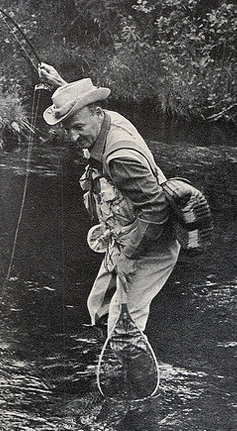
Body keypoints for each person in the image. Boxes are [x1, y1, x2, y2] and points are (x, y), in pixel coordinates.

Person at [38, 63, 180, 338]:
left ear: (97, 114)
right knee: (100, 305)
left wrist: (129, 258)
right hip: (125, 235)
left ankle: (127, 372)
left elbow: (156, 208)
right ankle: (108, 354)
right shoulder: (105, 118)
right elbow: (82, 108)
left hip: (152, 244)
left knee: (124, 322)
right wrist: (60, 84)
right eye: (68, 129)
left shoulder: (121, 158)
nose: (73, 136)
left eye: (77, 128)